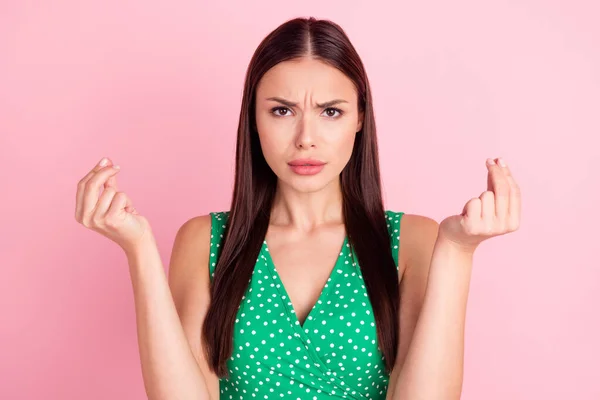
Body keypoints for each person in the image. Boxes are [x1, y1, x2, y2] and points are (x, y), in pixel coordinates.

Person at [75, 17, 521, 400]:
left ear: (360, 117)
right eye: (282, 110)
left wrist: (459, 252)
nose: (306, 137)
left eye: (331, 112)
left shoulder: (415, 241)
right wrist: (138, 249)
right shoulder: (206, 239)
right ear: (253, 117)